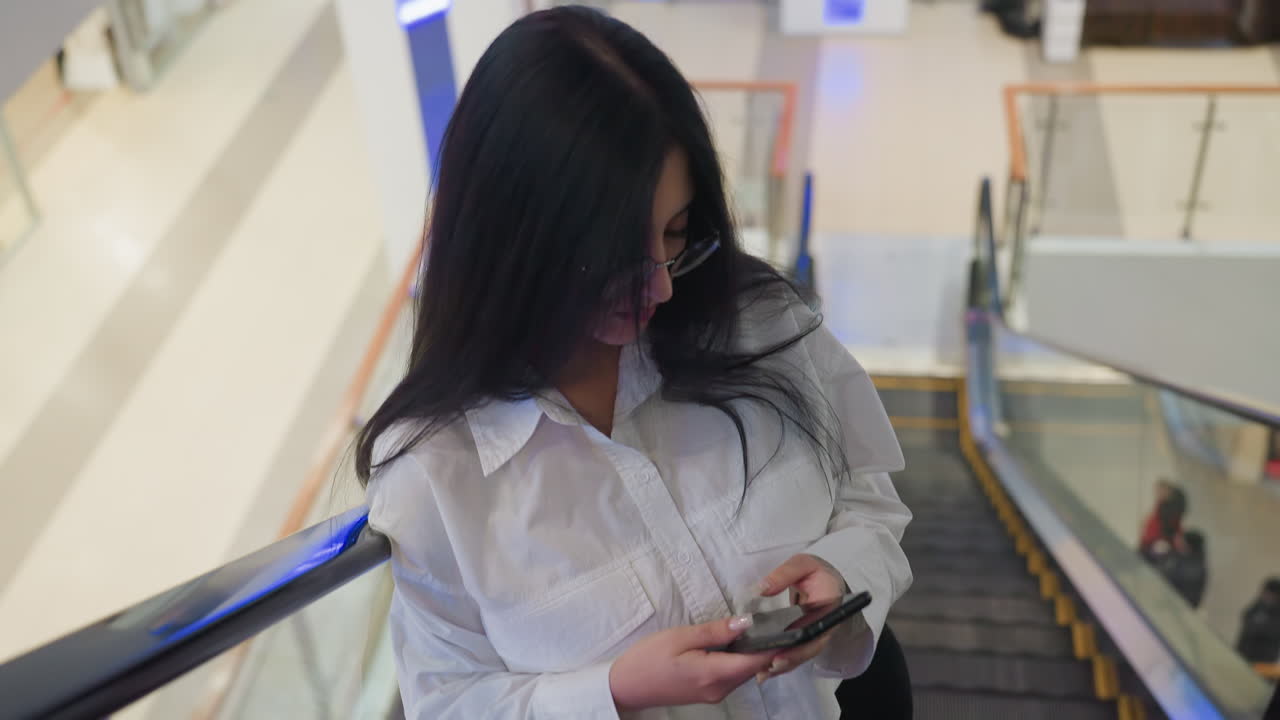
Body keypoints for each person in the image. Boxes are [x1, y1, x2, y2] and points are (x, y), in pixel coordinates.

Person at [356, 8, 912, 719]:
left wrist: (844, 570)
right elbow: (450, 703)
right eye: (610, 257)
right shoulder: (438, 474)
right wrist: (614, 692)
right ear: (512, 245)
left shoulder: (762, 326)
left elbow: (869, 491)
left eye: (678, 233)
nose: (662, 286)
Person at [1237, 578, 1280, 665]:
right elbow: (1245, 616)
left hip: (1262, 661)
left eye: (1269, 594)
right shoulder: (1259, 604)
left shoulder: (1277, 612)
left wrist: (1256, 625)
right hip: (1242, 653)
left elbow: (1269, 631)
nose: (1265, 596)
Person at [1139, 482, 1186, 559]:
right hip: (1150, 543)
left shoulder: (1170, 510)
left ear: (1169, 491)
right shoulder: (1160, 506)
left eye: (1161, 491)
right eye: (1157, 491)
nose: (1158, 494)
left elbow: (1175, 531)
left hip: (1159, 544)